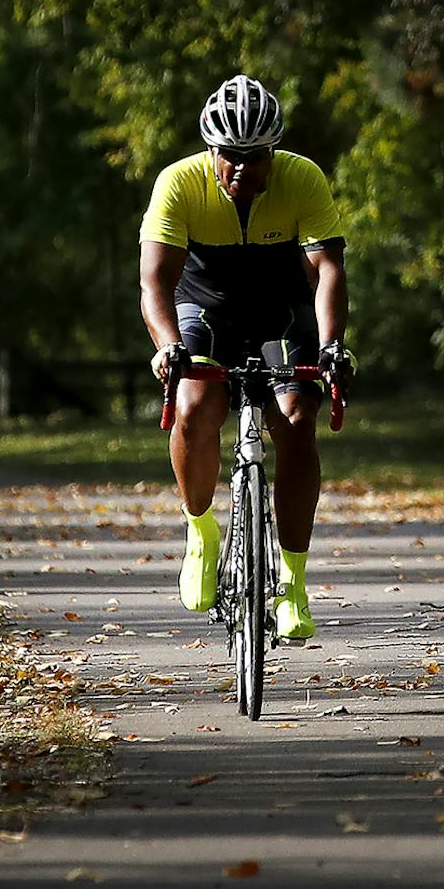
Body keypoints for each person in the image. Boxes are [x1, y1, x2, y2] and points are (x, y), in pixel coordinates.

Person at [139, 73, 353, 640]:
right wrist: (167, 348)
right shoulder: (178, 184)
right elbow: (155, 283)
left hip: (279, 312)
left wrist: (332, 346)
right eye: (229, 155)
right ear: (212, 150)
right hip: (202, 310)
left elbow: (326, 270)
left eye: (254, 157)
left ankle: (293, 581)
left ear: (272, 153)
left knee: (298, 421)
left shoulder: (303, 179)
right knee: (195, 406)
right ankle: (201, 529)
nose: (240, 168)